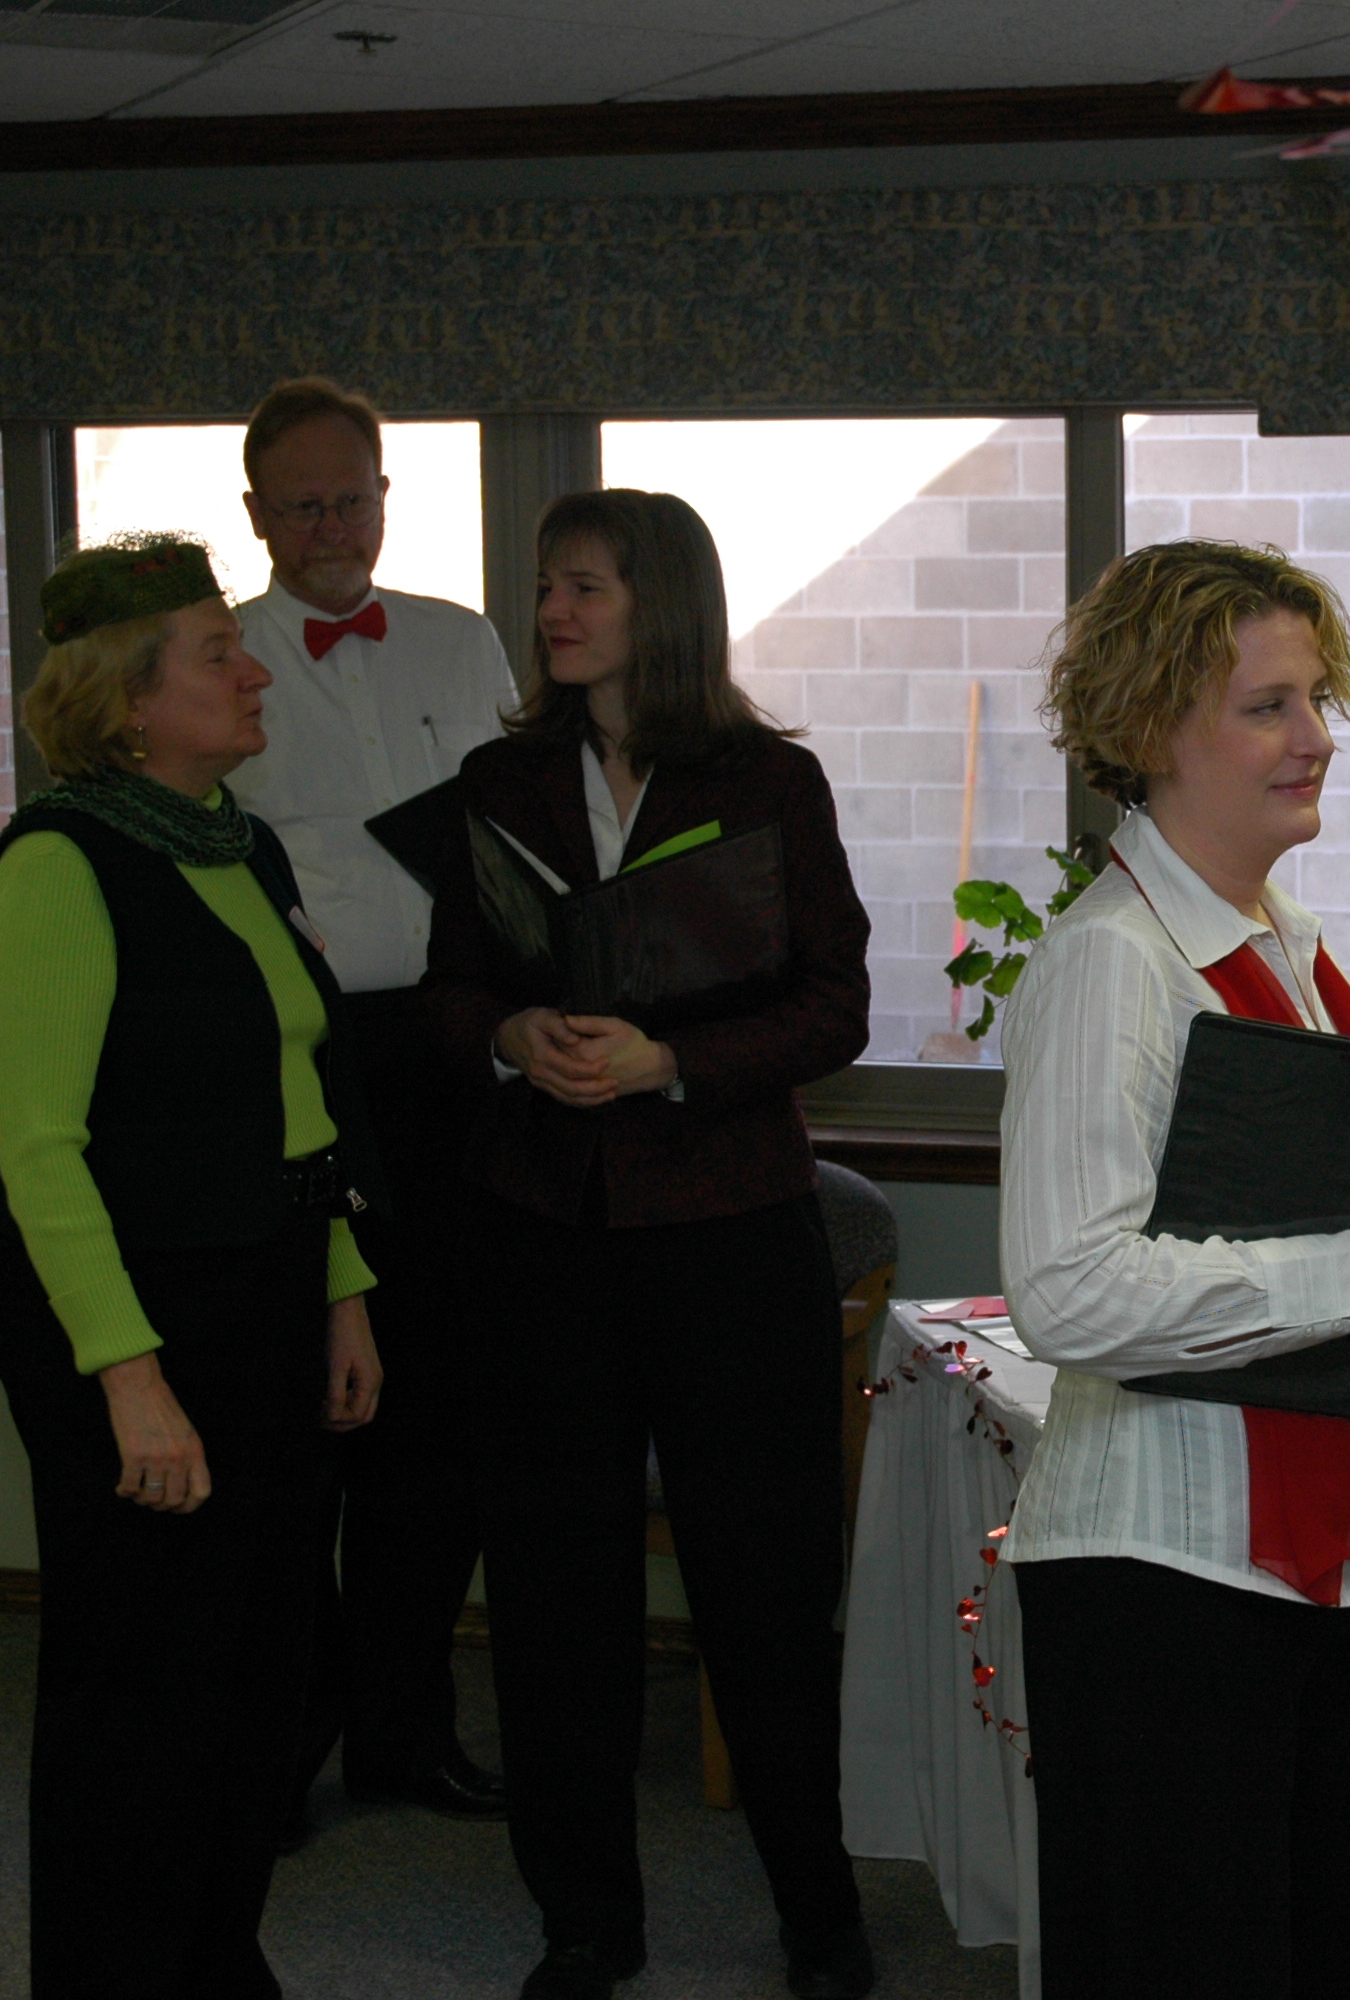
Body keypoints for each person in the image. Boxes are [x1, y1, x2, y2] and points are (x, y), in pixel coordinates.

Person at [999, 541, 1350, 1999]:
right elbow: (1069, 1291)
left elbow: (1266, 1243)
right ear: (1153, 729)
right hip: (1163, 1575)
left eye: (1315, 699)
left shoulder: (1277, 948)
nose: (1315, 737)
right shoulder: (1118, 962)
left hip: (1268, 1569)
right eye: (1269, 707)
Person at [422, 489, 875, 2000]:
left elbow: (835, 1006)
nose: (553, 611)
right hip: (540, 1239)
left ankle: (821, 1917)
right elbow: (446, 991)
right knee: (555, 1599)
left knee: (766, 1589)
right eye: (548, 585)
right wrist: (512, 1037)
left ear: (659, 605)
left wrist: (669, 1061)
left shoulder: (768, 781)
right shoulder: (496, 779)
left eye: (586, 587)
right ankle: (585, 1924)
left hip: (730, 1232)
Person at [0, 533, 385, 1997]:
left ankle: (212, 1963)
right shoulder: (58, 865)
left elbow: (298, 1095)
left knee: (256, 1675)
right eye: (220, 653)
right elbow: (39, 1155)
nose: (254, 670)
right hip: (133, 1327)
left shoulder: (234, 844)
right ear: (129, 699)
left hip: (266, 1296)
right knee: (139, 1695)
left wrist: (341, 1289)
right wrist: (130, 1379)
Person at [227, 376, 518, 1834]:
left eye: (353, 498)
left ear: (387, 497)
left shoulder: (467, 642)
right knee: (302, 1424)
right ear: (257, 515)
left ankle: (407, 1728)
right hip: (299, 1066)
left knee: (438, 1416)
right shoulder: (221, 665)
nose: (333, 526)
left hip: (454, 1057)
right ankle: (282, 1741)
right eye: (304, 505)